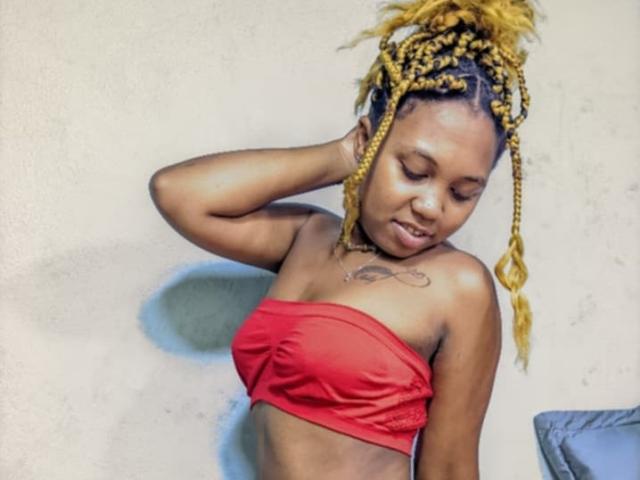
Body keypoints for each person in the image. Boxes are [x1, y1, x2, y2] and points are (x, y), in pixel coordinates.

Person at [149, 0, 538, 478]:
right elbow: (179, 194)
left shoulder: (459, 286)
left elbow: (450, 469)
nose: (431, 206)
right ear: (368, 141)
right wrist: (344, 154)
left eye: (462, 193)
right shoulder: (309, 238)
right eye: (414, 171)